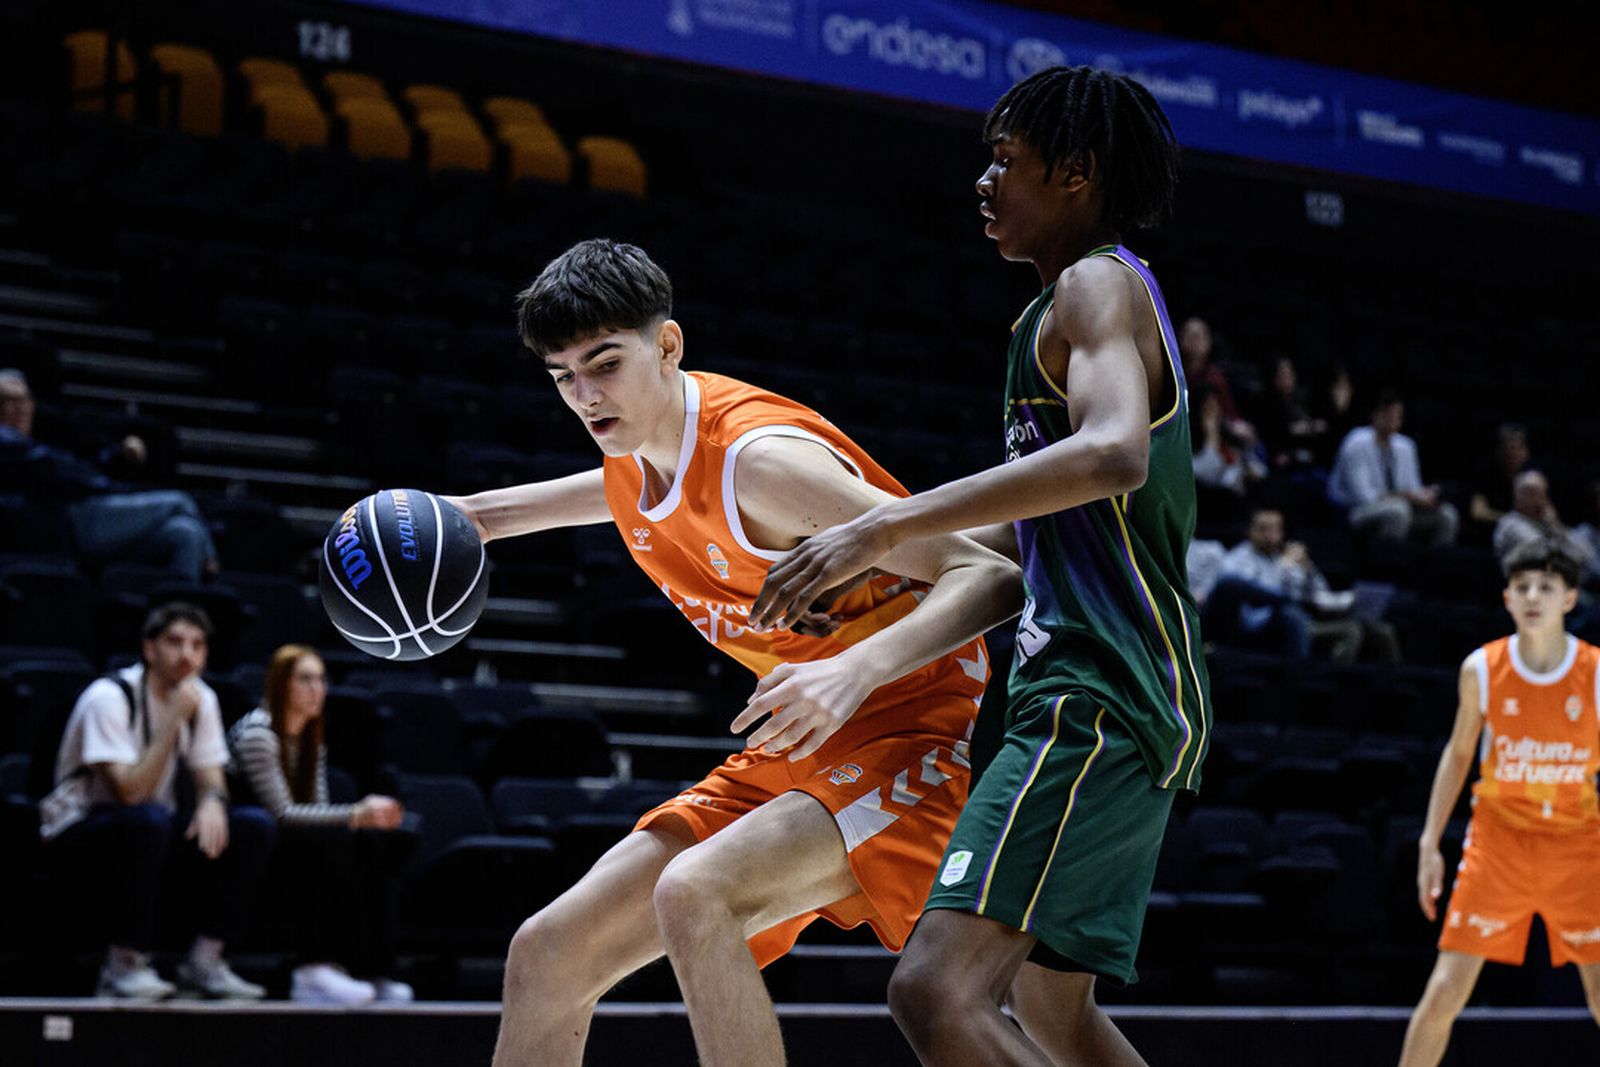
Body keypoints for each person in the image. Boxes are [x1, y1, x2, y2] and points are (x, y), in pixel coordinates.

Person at [449, 239, 1021, 1067]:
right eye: (563, 375)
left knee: (696, 893)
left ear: (669, 345)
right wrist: (470, 514)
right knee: (547, 954)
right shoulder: (637, 451)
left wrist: (853, 667)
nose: (584, 395)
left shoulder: (762, 465)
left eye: (604, 364)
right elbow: (607, 495)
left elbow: (989, 575)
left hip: (922, 722)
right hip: (805, 737)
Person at [753, 65, 1210, 1067]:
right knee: (1053, 1015)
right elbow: (1022, 545)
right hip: (1094, 683)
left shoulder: (1097, 281)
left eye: (1006, 160)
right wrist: (875, 593)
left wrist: (876, 529)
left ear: (1076, 172)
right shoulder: (1042, 320)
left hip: (1099, 686)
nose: (983, 180)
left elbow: (1113, 450)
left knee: (934, 987)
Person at [1398, 540, 1600, 1066]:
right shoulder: (1482, 669)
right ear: (1507, 597)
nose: (1534, 596)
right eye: (1523, 586)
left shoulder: (1595, 673)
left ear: (1570, 598)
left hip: (1578, 845)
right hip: (1499, 843)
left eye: (1547, 587)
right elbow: (1459, 752)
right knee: (1444, 991)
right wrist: (1428, 842)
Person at [39, 602, 275, 999]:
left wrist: (213, 801)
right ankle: (122, 964)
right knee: (146, 819)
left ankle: (205, 961)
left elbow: (210, 775)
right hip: (77, 835)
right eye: (175, 643)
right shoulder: (108, 697)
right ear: (149, 649)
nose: (187, 655)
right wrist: (171, 721)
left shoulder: (202, 699)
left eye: (198, 646)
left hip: (150, 832)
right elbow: (128, 793)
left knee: (253, 826)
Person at [228, 644, 416, 1004]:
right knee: (338, 837)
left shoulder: (310, 739)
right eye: (305, 679)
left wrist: (361, 821)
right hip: (249, 842)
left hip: (287, 842)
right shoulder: (258, 734)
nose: (317, 689)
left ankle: (373, 969)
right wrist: (355, 813)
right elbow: (281, 813)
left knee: (370, 843)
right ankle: (313, 969)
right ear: (281, 685)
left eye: (321, 679)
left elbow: (317, 809)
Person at [0, 368, 218, 581]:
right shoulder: (6, 440)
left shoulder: (35, 443)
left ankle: (182, 611)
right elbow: (71, 477)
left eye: (24, 401)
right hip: (69, 524)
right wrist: (111, 463)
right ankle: (211, 560)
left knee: (185, 533)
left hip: (81, 522)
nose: (21, 409)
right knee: (180, 501)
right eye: (10, 401)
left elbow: (78, 473)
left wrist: (114, 458)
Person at [1217, 508, 1399, 663]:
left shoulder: (1281, 558)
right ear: (1250, 531)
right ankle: (1318, 683)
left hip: (1304, 615)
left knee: (1382, 632)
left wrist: (1309, 569)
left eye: (1275, 529)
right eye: (1263, 529)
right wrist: (1284, 570)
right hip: (1262, 624)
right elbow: (1270, 598)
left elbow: (1319, 593)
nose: (1270, 535)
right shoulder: (1237, 560)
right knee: (1350, 631)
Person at [1327, 390, 1459, 547]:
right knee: (1398, 511)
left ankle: (1436, 567)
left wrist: (1426, 495)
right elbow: (1364, 497)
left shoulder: (1406, 446)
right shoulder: (1356, 442)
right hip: (1355, 511)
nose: (1394, 419)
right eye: (1388, 414)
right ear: (1376, 415)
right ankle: (1389, 565)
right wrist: (1409, 496)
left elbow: (1412, 487)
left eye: (1397, 415)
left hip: (1402, 506)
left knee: (1447, 514)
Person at [1492, 469, 1593, 570]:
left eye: (1542, 494)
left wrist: (1557, 526)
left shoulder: (1549, 523)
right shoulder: (1510, 524)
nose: (1538, 501)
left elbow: (1587, 555)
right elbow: (1542, 554)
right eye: (1532, 495)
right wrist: (1557, 537)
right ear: (1517, 498)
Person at [1468, 422, 1532, 531]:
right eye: (1508, 448)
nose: (1513, 454)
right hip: (1493, 532)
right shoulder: (1484, 475)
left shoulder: (1532, 477)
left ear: (1526, 452)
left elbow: (1546, 512)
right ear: (1498, 451)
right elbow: (1478, 512)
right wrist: (1512, 521)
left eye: (1517, 448)